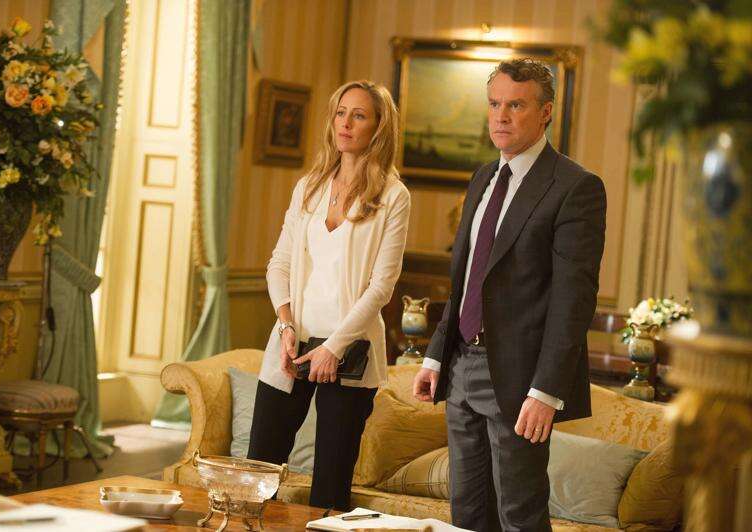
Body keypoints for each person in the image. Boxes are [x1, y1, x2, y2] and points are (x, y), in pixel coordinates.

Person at [413, 58, 607, 531]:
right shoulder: (483, 177)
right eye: (494, 104)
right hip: (460, 368)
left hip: (520, 381)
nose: (501, 116)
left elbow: (573, 301)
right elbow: (465, 279)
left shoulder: (575, 187)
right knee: (466, 514)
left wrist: (546, 391)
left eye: (516, 105)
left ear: (546, 112)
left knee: (519, 516)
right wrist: (436, 356)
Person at [247, 80, 410, 511]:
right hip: (292, 343)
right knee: (258, 471)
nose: (346, 123)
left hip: (351, 351)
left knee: (330, 487)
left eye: (359, 115)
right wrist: (285, 325)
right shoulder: (310, 186)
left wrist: (333, 348)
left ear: (378, 127)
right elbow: (279, 263)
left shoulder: (393, 197)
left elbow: (381, 286)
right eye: (340, 112)